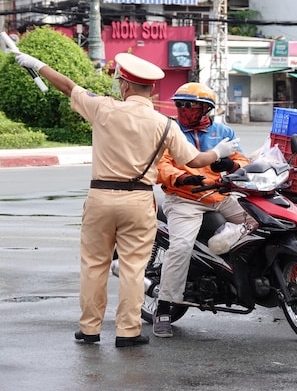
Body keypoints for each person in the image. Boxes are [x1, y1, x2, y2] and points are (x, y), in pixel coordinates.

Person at [12, 51, 240, 347]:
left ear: (124, 85)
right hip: (139, 201)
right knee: (134, 268)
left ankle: (90, 329)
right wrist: (219, 153)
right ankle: (128, 331)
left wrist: (38, 63)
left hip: (100, 198)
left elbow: (68, 86)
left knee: (95, 265)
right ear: (152, 90)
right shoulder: (165, 124)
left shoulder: (103, 109)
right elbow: (195, 160)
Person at [152, 82, 255, 337]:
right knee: (181, 247)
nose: (183, 110)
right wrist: (182, 178)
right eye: (180, 104)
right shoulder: (171, 130)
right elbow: (161, 165)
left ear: (206, 109)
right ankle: (164, 307)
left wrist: (231, 163)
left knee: (260, 224)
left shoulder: (224, 131)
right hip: (184, 199)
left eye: (190, 105)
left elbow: (243, 160)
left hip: (220, 195)